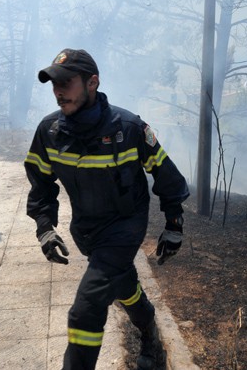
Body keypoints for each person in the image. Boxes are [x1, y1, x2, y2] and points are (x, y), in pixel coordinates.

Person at [24, 49, 190, 370]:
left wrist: (174, 224)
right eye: (54, 83)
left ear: (92, 82)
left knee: (86, 308)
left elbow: (167, 176)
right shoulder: (50, 133)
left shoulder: (128, 128)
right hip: (87, 231)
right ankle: (150, 335)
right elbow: (40, 185)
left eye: (66, 82)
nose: (58, 91)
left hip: (125, 226)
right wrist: (45, 226)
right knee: (122, 283)